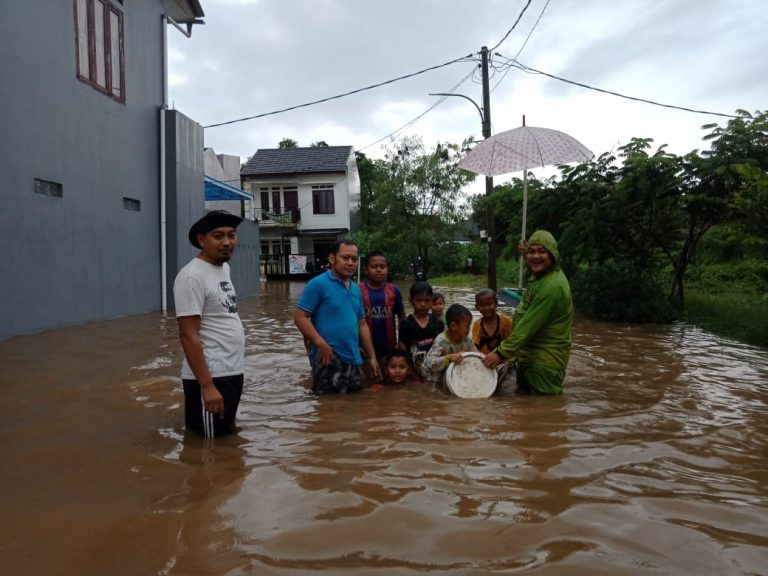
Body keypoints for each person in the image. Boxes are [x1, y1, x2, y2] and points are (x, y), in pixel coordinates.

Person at [173, 210, 245, 438]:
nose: (227, 242)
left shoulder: (224, 268)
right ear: (201, 239)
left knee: (225, 440)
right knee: (207, 447)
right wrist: (206, 386)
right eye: (218, 236)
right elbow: (188, 335)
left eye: (231, 235)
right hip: (211, 376)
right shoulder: (192, 276)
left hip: (232, 371)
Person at [483, 230, 573, 395]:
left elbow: (527, 328)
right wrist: (528, 254)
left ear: (553, 254)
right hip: (528, 359)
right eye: (531, 252)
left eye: (542, 251)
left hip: (543, 364)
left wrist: (500, 353)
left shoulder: (552, 287)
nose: (535, 256)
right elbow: (536, 262)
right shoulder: (541, 276)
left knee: (545, 415)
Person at [294, 240, 380, 394]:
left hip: (354, 358)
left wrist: (372, 357)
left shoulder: (356, 289)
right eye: (345, 258)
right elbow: (300, 317)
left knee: (354, 406)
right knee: (327, 409)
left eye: (354, 259)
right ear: (332, 258)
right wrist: (321, 344)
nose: (350, 263)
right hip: (328, 357)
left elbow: (362, 324)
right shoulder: (317, 284)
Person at [359, 251, 405, 373]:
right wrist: (355, 345)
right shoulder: (357, 290)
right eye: (374, 267)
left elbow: (401, 317)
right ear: (366, 270)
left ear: (387, 269)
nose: (378, 270)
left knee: (387, 380)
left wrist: (401, 341)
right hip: (364, 349)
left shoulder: (394, 290)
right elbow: (351, 320)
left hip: (388, 349)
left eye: (382, 267)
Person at [398, 281, 444, 379]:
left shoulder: (437, 322)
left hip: (433, 368)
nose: (423, 304)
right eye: (418, 300)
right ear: (411, 301)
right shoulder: (406, 323)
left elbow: (442, 345)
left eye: (427, 300)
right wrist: (410, 370)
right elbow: (403, 349)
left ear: (432, 301)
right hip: (413, 371)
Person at [422, 303, 476, 386]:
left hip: (453, 377)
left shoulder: (467, 341)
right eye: (467, 326)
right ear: (453, 326)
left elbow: (475, 355)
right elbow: (428, 363)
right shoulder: (441, 341)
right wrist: (448, 358)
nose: (469, 329)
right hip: (435, 380)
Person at [472, 289, 513, 354]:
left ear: (496, 303)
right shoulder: (477, 324)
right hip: (483, 357)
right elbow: (475, 345)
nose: (486, 308)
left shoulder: (506, 322)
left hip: (502, 357)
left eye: (489, 304)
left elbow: (511, 342)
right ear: (477, 307)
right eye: (482, 305)